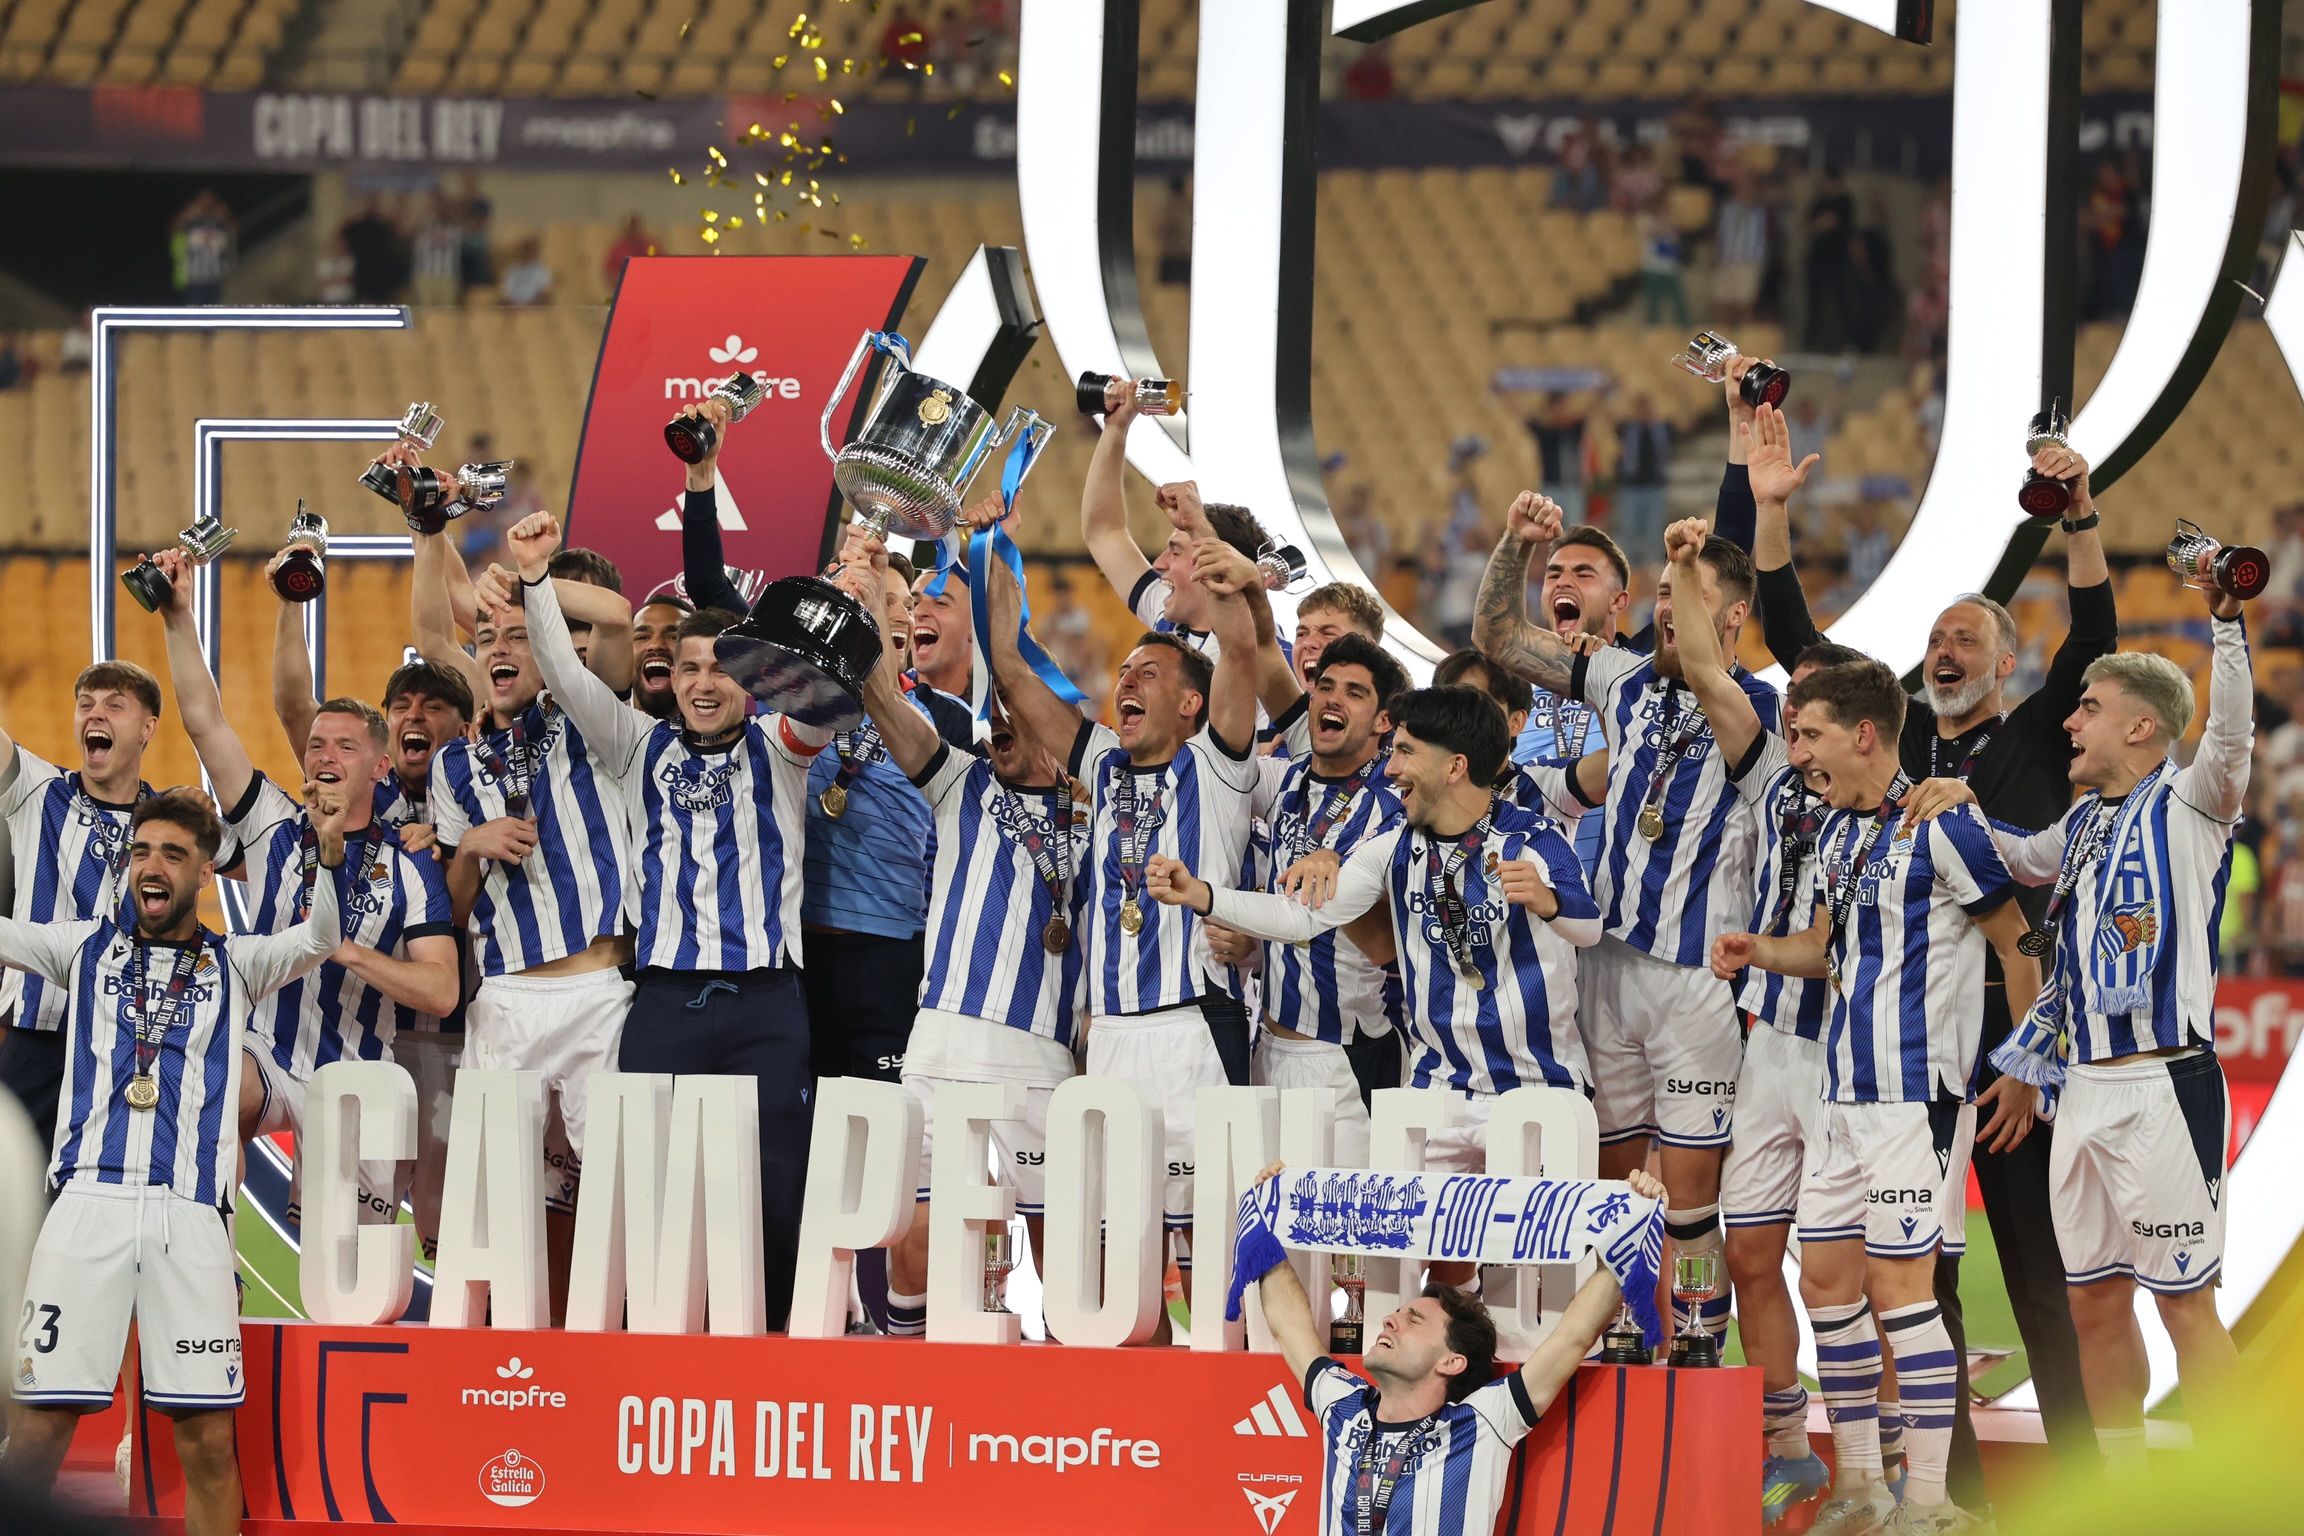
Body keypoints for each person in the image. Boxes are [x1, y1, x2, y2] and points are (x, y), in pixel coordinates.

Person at [1745, 403, 2111, 1486]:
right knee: (1922, 1282)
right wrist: (1770, 517)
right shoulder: (1885, 751)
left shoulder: (2039, 738)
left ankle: (2079, 1491)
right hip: (1911, 1062)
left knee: (2044, 1279)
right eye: (1937, 638)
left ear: (2006, 665)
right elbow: (1794, 639)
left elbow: (2092, 638)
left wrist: (2079, 517)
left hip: (2013, 1051)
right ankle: (1942, 1490)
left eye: (1968, 639)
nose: (1944, 649)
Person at [1903, 578, 2250, 1477]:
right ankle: (2126, 1494)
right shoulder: (2086, 820)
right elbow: (2017, 857)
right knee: (2094, 1305)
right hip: (2082, 1086)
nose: (2068, 722)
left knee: (2185, 1308)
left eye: (2087, 709)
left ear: (2140, 727)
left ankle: (2242, 1487)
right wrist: (1959, 805)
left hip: (2164, 1080)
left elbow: (2231, 733)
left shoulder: (2193, 802)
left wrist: (2226, 622)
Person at [1712, 656, 2041, 1536]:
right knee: (1826, 1286)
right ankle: (1858, 1486)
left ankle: (1929, 1502)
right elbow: (1828, 946)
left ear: (1864, 735)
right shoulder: (1834, 834)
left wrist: (2022, 1063)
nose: (1797, 749)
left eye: (1810, 733)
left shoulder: (1942, 827)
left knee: (1903, 1292)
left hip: (1916, 1101)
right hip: (1840, 1099)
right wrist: (1760, 951)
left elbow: (2017, 943)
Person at [489, 511, 829, 1329]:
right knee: (645, 1197)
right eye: (687, 669)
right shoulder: (639, 745)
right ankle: (655, 1354)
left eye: (720, 668)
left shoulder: (783, 746)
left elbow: (823, 701)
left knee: (776, 1192)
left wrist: (770, 645)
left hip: (767, 1007)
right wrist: (536, 581)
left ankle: (772, 1349)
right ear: (668, 678)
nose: (703, 683)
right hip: (667, 1006)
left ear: (747, 678)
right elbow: (568, 679)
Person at [1472, 491, 1771, 1354]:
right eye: (1665, 600)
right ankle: (1627, 1338)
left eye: (1692, 600)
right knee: (1613, 1187)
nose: (1671, 615)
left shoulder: (1766, 710)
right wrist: (1514, 545)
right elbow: (1499, 637)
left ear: (1735, 616)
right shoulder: (1619, 679)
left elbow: (1716, 686)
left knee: (1687, 1200)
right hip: (1603, 967)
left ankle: (1701, 1343)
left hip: (1695, 985)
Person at [0, 787, 342, 1536]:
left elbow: (320, 938)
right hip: (84, 1209)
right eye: (142, 851)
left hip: (191, 1220)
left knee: (208, 1446)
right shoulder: (84, 948)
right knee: (33, 1437)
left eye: (172, 854)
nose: (151, 866)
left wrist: (327, 851)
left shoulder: (238, 964)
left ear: (205, 871)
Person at [1145, 686, 1599, 1222]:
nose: (1390, 770)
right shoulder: (1393, 848)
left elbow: (1589, 927)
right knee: (1408, 1258)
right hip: (1437, 1087)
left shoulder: (1533, 835)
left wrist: (1547, 902)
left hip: (1538, 1085)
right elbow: (1302, 917)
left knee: (1536, 1268)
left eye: (1405, 752)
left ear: (1454, 766)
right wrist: (1200, 895)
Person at [979, 500, 1261, 1311]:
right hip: (1109, 1040)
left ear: (1191, 706)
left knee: (1211, 1255)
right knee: (1110, 1260)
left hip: (1194, 1030)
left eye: (1150, 675)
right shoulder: (1099, 763)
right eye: (1124, 673)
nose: (1126, 682)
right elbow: (1008, 661)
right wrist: (993, 539)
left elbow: (1241, 649)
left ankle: (1213, 1412)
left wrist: (1210, 550)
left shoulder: (1220, 766)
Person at [147, 550, 459, 1229]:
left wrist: (341, 949)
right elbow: (205, 721)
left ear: (378, 766)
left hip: (358, 1076)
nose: (323, 756)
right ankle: (209, 1270)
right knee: (211, 1089)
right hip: (265, 1051)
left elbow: (440, 990)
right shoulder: (271, 827)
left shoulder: (412, 860)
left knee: (345, 1271)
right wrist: (178, 615)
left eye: (344, 746)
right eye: (316, 744)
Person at [1659, 500, 1865, 1522]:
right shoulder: (1775, 779)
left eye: (1815, 714)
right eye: (1796, 712)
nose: (1795, 724)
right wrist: (1693, 565)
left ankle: (1879, 1462)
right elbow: (1705, 672)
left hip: (1853, 1059)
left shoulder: (1906, 802)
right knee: (1747, 1254)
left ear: (1865, 729)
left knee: (1841, 1272)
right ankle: (1789, 1444)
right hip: (1769, 1049)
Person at [833, 534, 1086, 1333]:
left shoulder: (1101, 812)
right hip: (938, 1042)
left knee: (1065, 1259)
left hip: (1041, 1057)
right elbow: (879, 697)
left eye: (1020, 710)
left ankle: (1076, 1410)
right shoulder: (958, 781)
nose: (1001, 721)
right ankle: (930, 1397)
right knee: (915, 1245)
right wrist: (873, 592)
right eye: (997, 711)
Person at [415, 523, 637, 1323]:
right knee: (492, 1213)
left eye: (517, 636)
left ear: (548, 652)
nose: (499, 648)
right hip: (503, 998)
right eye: (487, 637)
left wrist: (529, 578)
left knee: (619, 1200)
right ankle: (502, 1381)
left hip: (595, 992)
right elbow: (453, 910)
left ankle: (613, 1364)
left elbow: (614, 617)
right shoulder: (451, 766)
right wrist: (469, 847)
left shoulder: (589, 720)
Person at [1233, 1162, 1668, 1536]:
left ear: (1452, 1361)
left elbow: (1575, 1333)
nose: (1389, 1320)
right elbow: (1289, 1323)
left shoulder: (1483, 1422)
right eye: (1399, 1312)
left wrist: (1637, 1221)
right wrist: (1264, 1212)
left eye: (1413, 1319)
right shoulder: (1343, 1405)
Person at [1239, 633, 1411, 1158]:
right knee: (1270, 1229)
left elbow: (1386, 946)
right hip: (1266, 1047)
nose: (1333, 699)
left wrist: (1336, 872)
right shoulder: (1285, 782)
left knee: (1351, 1231)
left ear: (1384, 721)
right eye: (1325, 686)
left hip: (1345, 1055)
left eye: (1355, 693)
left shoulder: (1398, 807)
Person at [0, 660, 178, 1153]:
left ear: (147, 728)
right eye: (85, 705)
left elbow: (256, 857)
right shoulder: (37, 789)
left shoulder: (170, 822)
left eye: (114, 706)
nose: (94, 714)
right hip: (37, 1035)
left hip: (127, 1042)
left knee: (107, 1200)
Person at [498, 237, 553, 306]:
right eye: (528, 251)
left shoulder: (543, 271)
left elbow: (543, 293)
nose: (530, 254)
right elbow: (506, 291)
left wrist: (531, 303)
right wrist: (511, 302)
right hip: (512, 307)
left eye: (533, 251)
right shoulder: (513, 269)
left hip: (532, 308)